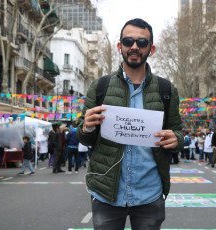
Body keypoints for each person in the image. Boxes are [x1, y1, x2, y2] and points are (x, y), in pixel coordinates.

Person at [76, 18, 183, 230]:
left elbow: (178, 132)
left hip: (149, 194)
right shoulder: (100, 86)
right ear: (120, 46)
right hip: (106, 193)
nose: (134, 46)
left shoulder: (166, 90)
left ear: (151, 49)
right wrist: (86, 126)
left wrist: (176, 139)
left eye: (142, 42)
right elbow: (84, 137)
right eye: (128, 41)